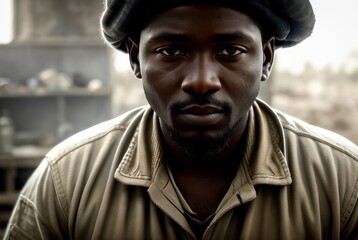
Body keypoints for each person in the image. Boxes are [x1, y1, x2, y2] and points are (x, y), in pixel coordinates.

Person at [4, 0, 358, 239]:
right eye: (171, 51)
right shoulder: (66, 182)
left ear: (265, 60)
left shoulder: (342, 181)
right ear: (135, 59)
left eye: (230, 51)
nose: (202, 81)